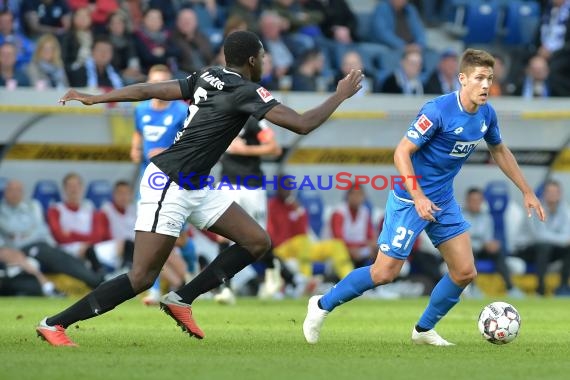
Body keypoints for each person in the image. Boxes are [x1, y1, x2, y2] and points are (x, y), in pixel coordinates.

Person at [36, 30, 363, 346]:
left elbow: (150, 91)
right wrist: (340, 94)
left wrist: (96, 98)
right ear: (252, 60)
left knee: (256, 241)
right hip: (169, 183)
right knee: (141, 278)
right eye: (262, 57)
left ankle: (182, 298)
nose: (265, 62)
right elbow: (302, 124)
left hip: (196, 184)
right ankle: (54, 324)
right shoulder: (247, 91)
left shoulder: (207, 76)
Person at [303, 48, 545, 346]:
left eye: (490, 79)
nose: (486, 85)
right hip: (409, 200)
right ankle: (320, 305)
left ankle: (423, 330)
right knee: (384, 273)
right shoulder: (437, 111)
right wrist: (417, 195)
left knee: (464, 271)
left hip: (442, 200)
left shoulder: (486, 114)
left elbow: (498, 149)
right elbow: (402, 152)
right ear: (462, 79)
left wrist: (527, 190)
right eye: (480, 78)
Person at [462, 187, 524, 298]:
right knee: (469, 251)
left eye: (478, 200)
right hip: (466, 250)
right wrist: (482, 243)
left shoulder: (487, 217)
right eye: (473, 200)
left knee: (497, 251)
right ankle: (472, 287)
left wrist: (491, 244)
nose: (475, 203)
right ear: (467, 201)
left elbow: (488, 237)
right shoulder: (460, 216)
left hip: (482, 249)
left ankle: (511, 288)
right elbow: (462, 239)